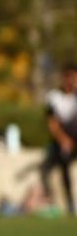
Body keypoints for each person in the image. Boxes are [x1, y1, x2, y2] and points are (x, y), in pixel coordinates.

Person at [40, 64, 77, 215]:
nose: (70, 80)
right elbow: (52, 122)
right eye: (67, 76)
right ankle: (59, 203)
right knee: (49, 169)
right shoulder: (54, 97)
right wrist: (64, 140)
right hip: (63, 141)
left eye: (73, 76)